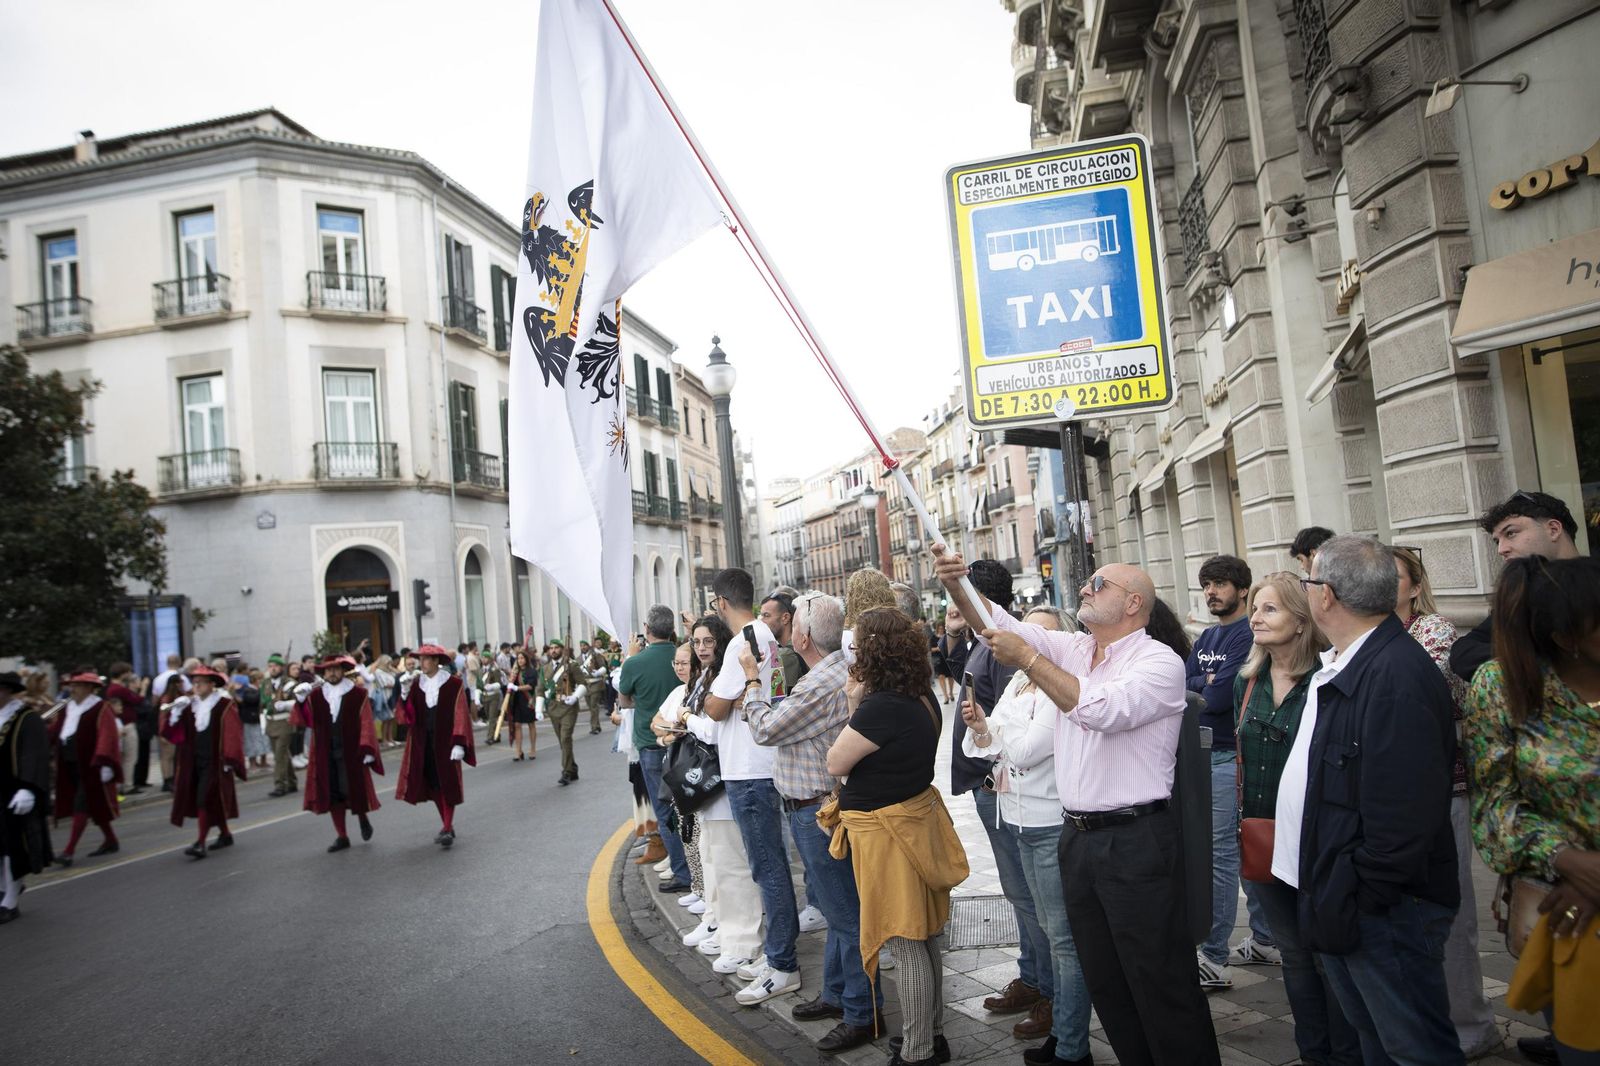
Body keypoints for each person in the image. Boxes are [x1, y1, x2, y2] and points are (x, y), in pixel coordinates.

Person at [933, 544, 1221, 1066]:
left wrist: (1029, 659)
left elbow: (1098, 710)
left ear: (1134, 603)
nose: (1086, 587)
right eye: (1088, 582)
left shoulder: (1157, 662)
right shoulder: (1076, 648)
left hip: (1136, 841)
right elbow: (997, 625)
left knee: (1159, 980)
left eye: (1100, 584)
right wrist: (958, 585)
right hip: (1079, 838)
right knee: (1107, 980)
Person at [1277, 535, 1464, 1064]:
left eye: (1309, 581)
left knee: (1414, 1047)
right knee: (1377, 1043)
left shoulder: (1393, 676)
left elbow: (1402, 818)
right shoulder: (1352, 663)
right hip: (1353, 899)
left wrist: (1357, 893)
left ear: (1327, 596)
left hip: (1385, 908)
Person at [1465, 556, 1600, 1065]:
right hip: (1566, 919)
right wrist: (1569, 862)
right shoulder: (1503, 688)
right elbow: (1494, 804)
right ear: (1567, 637)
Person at [825, 606, 969, 1066]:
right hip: (913, 823)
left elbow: (835, 763)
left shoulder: (882, 706)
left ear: (872, 651)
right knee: (924, 938)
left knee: (905, 943)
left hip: (889, 836)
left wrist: (852, 704)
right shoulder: (921, 694)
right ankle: (931, 1035)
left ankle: (918, 1051)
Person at [745, 591, 885, 1053]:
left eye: (792, 622)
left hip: (816, 810)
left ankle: (864, 1013)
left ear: (802, 634)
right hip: (811, 807)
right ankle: (836, 994)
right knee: (832, 906)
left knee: (845, 915)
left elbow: (766, 729)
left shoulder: (819, 682)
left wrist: (752, 682)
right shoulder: (823, 673)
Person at [1233, 573, 1359, 1065]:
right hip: (1264, 837)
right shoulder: (1249, 682)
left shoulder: (1327, 680)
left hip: (1317, 840)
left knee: (1331, 956)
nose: (1256, 619)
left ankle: (1348, 1054)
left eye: (1269, 610)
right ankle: (1314, 1054)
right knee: (1296, 956)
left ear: (1302, 620)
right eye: (1255, 611)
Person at [961, 605, 1093, 1066]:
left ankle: (1073, 1046)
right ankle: (1061, 1030)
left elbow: (1028, 749)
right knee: (1045, 929)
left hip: (1049, 823)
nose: (1024, 641)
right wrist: (985, 730)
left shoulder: (1061, 688)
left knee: (1063, 939)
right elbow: (980, 736)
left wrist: (990, 735)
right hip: (1016, 818)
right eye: (1023, 632)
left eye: (1039, 635)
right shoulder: (1018, 681)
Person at [1392, 546, 1500, 1058]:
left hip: (1444, 789)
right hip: (1392, 796)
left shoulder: (1432, 631)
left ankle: (1472, 1024)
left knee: (1454, 913)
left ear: (1414, 587)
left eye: (1393, 578)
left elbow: (1429, 697)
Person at [951, 559, 1054, 1040]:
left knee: (1030, 897)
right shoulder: (985, 646)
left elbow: (1009, 727)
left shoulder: (1000, 650)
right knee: (1020, 893)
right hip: (993, 783)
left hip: (1004, 788)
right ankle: (1034, 977)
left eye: (958, 599)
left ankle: (1047, 989)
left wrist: (991, 775)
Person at [703, 567, 802, 1006]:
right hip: (764, 763)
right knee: (770, 864)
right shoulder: (766, 634)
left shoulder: (739, 644)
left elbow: (715, 709)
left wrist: (721, 696)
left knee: (767, 866)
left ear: (721, 602)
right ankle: (778, 955)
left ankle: (782, 964)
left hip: (748, 769)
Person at [1187, 554, 1278, 989]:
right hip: (1202, 756)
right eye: (1207, 584)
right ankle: (1263, 938)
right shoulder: (1206, 635)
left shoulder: (1247, 635)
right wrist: (1205, 682)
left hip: (1229, 755)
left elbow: (1219, 698)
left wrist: (1203, 684)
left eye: (1220, 583)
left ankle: (1214, 956)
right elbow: (1182, 690)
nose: (1211, 592)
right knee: (1234, 850)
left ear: (1243, 589)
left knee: (1222, 854)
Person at [1451, 490, 1583, 685]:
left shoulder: (1591, 585)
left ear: (1553, 529)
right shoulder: (1522, 594)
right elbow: (1463, 652)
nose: (1501, 549)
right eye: (1497, 540)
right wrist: (1530, 657)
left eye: (1511, 533)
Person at [619, 606, 692, 890]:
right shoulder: (683, 655)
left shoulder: (635, 662)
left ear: (647, 630)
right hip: (685, 740)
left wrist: (631, 657)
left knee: (665, 811)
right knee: (690, 806)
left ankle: (683, 872)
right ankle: (693, 870)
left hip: (651, 744)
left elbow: (625, 702)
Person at [294, 655, 383, 853]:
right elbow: (307, 721)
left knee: (351, 789)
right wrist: (300, 702)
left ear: (343, 671)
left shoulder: (357, 694)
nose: (332, 673)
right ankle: (342, 836)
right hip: (325, 750)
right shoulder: (316, 696)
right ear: (323, 673)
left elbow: (367, 722)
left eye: (335, 669)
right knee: (333, 793)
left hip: (350, 749)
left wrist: (368, 748)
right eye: (328, 670)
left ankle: (362, 818)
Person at [160, 664, 246, 859]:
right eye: (195, 682)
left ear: (212, 684)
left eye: (201, 683)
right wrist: (176, 713)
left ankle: (200, 843)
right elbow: (174, 734)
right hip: (193, 761)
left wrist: (230, 758)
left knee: (204, 799)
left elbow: (233, 732)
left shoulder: (224, 704)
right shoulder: (190, 705)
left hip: (215, 761)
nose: (196, 686)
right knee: (210, 799)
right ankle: (225, 834)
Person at [394, 644, 475, 847]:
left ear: (437, 661)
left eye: (426, 659)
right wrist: (404, 694)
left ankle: (447, 828)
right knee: (434, 785)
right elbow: (407, 717)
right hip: (423, 742)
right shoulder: (415, 684)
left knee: (447, 783)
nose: (422, 663)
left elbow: (461, 714)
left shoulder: (453, 684)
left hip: (446, 741)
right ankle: (447, 825)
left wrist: (459, 743)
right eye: (421, 659)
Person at [49, 670, 123, 866]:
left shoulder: (100, 707)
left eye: (78, 685)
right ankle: (111, 840)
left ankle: (69, 850)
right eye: (72, 685)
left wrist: (103, 760)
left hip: (91, 764)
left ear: (90, 688)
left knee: (81, 804)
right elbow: (55, 731)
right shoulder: (67, 708)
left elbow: (107, 735)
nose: (73, 689)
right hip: (70, 764)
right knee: (94, 803)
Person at [0, 672, 52, 923]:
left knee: (13, 846)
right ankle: (3, 890)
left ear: (6, 691)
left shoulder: (26, 718)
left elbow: (34, 754)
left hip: (14, 791)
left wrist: (28, 788)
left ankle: (11, 898)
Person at [544, 642, 585, 785]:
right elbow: (539, 688)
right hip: (554, 708)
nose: (553, 650)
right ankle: (572, 768)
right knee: (562, 741)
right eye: (551, 648)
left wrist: (575, 696)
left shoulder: (571, 665)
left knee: (565, 737)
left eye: (556, 648)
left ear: (562, 649)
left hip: (568, 707)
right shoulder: (546, 668)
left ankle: (566, 772)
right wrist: (538, 706)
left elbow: (583, 683)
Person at [150, 654, 192, 792]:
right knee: (167, 755)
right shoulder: (168, 698)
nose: (182, 685)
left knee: (171, 755)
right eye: (180, 683)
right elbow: (163, 714)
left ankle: (172, 778)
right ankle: (167, 780)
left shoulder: (159, 681)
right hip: (168, 729)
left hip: (174, 729)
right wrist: (162, 732)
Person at [263, 655, 299, 796]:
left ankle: (280, 785)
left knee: (279, 755)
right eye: (270, 665)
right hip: (271, 722)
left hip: (285, 721)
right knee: (283, 754)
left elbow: (296, 702)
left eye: (276, 666)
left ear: (282, 668)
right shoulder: (265, 683)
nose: (273, 668)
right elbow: (264, 701)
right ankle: (292, 782)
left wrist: (283, 703)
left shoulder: (289, 683)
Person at [760, 591, 808, 692]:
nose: (761, 621)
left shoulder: (784, 655)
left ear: (785, 618)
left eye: (766, 615)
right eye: (761, 616)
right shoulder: (802, 645)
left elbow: (774, 697)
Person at [506, 649, 539, 761]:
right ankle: (518, 750)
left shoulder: (532, 671)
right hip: (517, 701)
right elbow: (510, 682)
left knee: (531, 724)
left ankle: (533, 749)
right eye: (518, 658)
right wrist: (510, 681)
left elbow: (530, 686)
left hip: (528, 700)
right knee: (517, 725)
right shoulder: (516, 672)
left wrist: (516, 688)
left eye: (522, 658)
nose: (520, 660)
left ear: (526, 659)